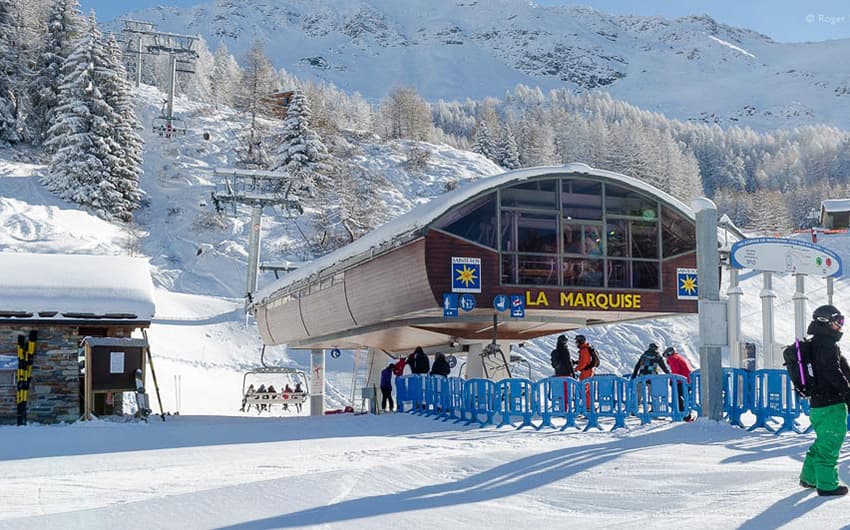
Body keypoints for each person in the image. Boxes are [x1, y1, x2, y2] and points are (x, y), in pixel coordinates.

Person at [800, 305, 850, 496]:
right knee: (831, 442)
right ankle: (827, 485)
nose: (840, 325)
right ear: (825, 322)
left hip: (819, 404)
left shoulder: (818, 343)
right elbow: (833, 372)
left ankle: (809, 476)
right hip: (830, 403)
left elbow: (842, 369)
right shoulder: (826, 345)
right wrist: (847, 394)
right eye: (838, 321)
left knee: (823, 440)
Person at [663, 346, 694, 420]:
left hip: (681, 381)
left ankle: (683, 415)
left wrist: (671, 381)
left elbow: (675, 371)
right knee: (683, 398)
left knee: (678, 398)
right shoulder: (678, 357)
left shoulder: (672, 358)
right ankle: (685, 414)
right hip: (687, 380)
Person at [574, 335, 595, 406]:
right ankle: (588, 407)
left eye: (576, 341)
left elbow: (584, 363)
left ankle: (587, 407)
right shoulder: (585, 349)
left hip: (586, 372)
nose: (576, 343)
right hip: (586, 371)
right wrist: (576, 362)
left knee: (585, 390)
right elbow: (584, 361)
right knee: (587, 390)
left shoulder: (584, 350)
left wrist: (576, 369)